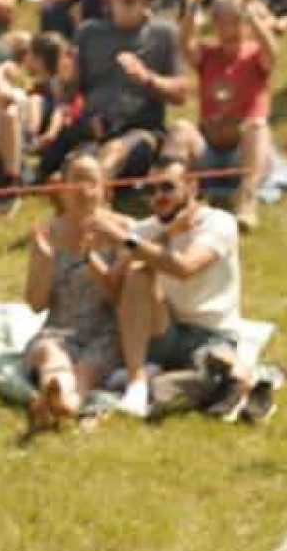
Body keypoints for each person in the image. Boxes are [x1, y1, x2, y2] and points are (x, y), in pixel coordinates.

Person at [99, 157, 248, 419]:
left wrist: (130, 242)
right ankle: (138, 385)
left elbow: (185, 268)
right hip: (167, 331)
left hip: (212, 335)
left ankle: (186, 382)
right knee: (137, 275)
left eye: (167, 188)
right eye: (151, 190)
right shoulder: (150, 229)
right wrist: (163, 236)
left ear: (191, 186)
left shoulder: (219, 223)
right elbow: (114, 284)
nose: (158, 197)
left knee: (221, 368)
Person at [44, 0, 188, 180]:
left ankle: (92, 189)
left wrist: (147, 78)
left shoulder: (164, 34)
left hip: (141, 132)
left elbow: (181, 94)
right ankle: (83, 186)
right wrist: (67, 79)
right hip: (92, 132)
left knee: (115, 152)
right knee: (79, 164)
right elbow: (69, 96)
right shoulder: (88, 32)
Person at [22, 153, 124, 428]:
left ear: (105, 190)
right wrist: (44, 262)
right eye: (75, 180)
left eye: (90, 182)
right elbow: (36, 304)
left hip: (104, 332)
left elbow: (122, 298)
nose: (82, 189)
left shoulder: (122, 231)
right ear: (63, 188)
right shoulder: (48, 232)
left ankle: (56, 402)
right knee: (49, 354)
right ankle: (60, 400)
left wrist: (92, 258)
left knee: (86, 370)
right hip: (60, 329)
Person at [189, 0, 278, 229]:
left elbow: (272, 53)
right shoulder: (207, 54)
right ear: (215, 25)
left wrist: (255, 19)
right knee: (181, 129)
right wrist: (191, 11)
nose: (231, 29)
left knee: (257, 127)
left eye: (236, 22)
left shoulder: (255, 54)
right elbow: (187, 46)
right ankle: (180, 196)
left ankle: (247, 198)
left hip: (243, 154)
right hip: (209, 150)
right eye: (224, 23)